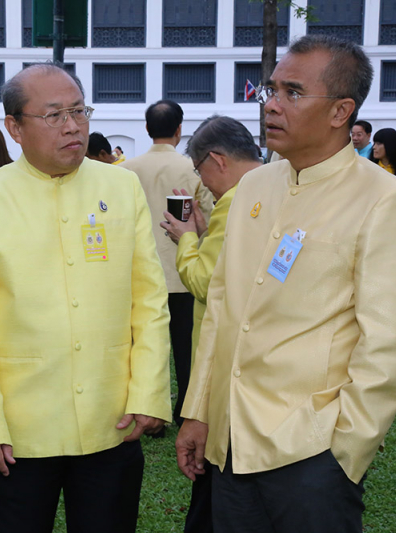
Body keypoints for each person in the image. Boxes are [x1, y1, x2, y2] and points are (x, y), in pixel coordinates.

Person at [176, 35, 396, 533]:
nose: (270, 104)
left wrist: (344, 452)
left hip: (311, 450)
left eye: (292, 92)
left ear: (341, 112)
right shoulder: (254, 186)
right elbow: (224, 310)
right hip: (231, 443)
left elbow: (388, 345)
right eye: (271, 90)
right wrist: (200, 410)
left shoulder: (384, 202)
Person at [0, 63, 171, 533]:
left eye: (78, 110)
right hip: (21, 428)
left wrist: (149, 391)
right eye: (54, 115)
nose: (72, 125)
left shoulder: (121, 185)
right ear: (15, 127)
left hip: (111, 416)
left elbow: (148, 301)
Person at [160, 115, 261, 533]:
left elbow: (205, 282)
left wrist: (185, 238)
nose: (203, 185)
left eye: (200, 172)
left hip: (225, 363)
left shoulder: (236, 200)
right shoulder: (276, 189)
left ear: (217, 160)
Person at [121, 99, 214, 429]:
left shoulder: (124, 170)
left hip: (138, 273)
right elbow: (209, 219)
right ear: (179, 130)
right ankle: (186, 413)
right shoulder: (194, 169)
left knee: (143, 346)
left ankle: (147, 414)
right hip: (182, 270)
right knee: (187, 349)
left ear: (147, 130)